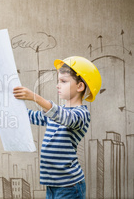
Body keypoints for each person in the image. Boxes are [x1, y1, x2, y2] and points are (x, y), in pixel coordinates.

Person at [13, 56, 102, 199]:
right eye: (58, 81)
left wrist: (35, 97)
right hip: (53, 184)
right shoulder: (57, 112)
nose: (58, 85)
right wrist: (11, 109)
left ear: (80, 86)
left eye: (63, 81)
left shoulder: (81, 114)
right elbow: (35, 116)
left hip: (69, 185)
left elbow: (66, 118)